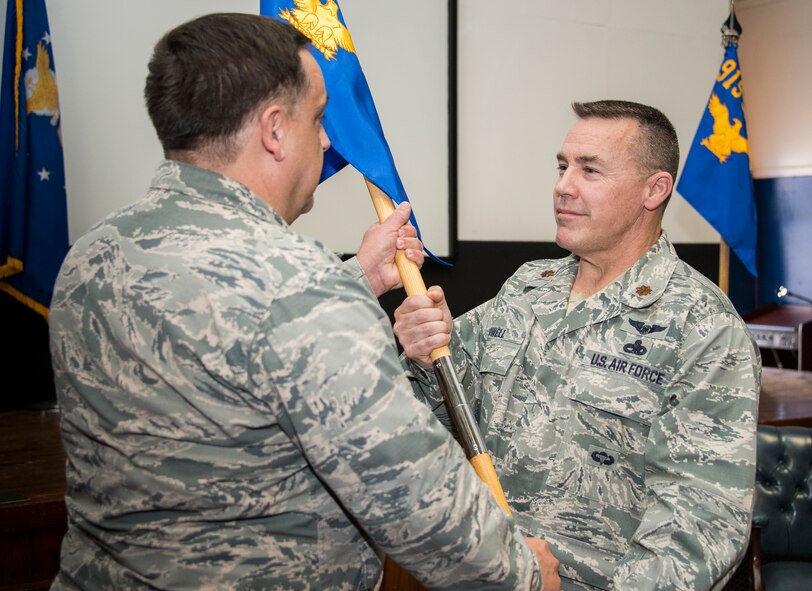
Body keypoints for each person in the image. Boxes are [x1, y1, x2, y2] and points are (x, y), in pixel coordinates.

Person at [48, 13, 561, 591]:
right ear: (274, 130)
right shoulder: (298, 286)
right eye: (317, 118)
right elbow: (413, 497)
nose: (325, 139)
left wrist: (357, 280)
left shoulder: (92, 255)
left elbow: (227, 342)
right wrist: (522, 572)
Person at [393, 100, 760, 590]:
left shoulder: (704, 328)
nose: (564, 185)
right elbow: (441, 417)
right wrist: (423, 353)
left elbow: (700, 536)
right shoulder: (528, 288)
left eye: (590, 170)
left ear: (654, 190)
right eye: (563, 166)